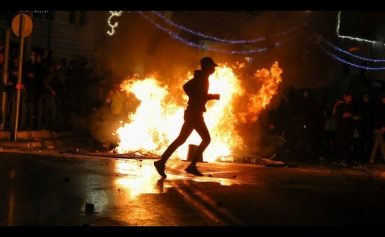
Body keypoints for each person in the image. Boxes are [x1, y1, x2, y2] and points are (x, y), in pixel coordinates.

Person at [154, 57, 220, 178]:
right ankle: (191, 166)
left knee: (181, 139)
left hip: (194, 113)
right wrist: (212, 96)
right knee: (206, 139)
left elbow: (190, 89)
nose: (213, 69)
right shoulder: (201, 78)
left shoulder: (202, 77)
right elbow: (193, 91)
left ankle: (161, 162)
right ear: (206, 67)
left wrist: (198, 97)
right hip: (194, 114)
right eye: (212, 67)